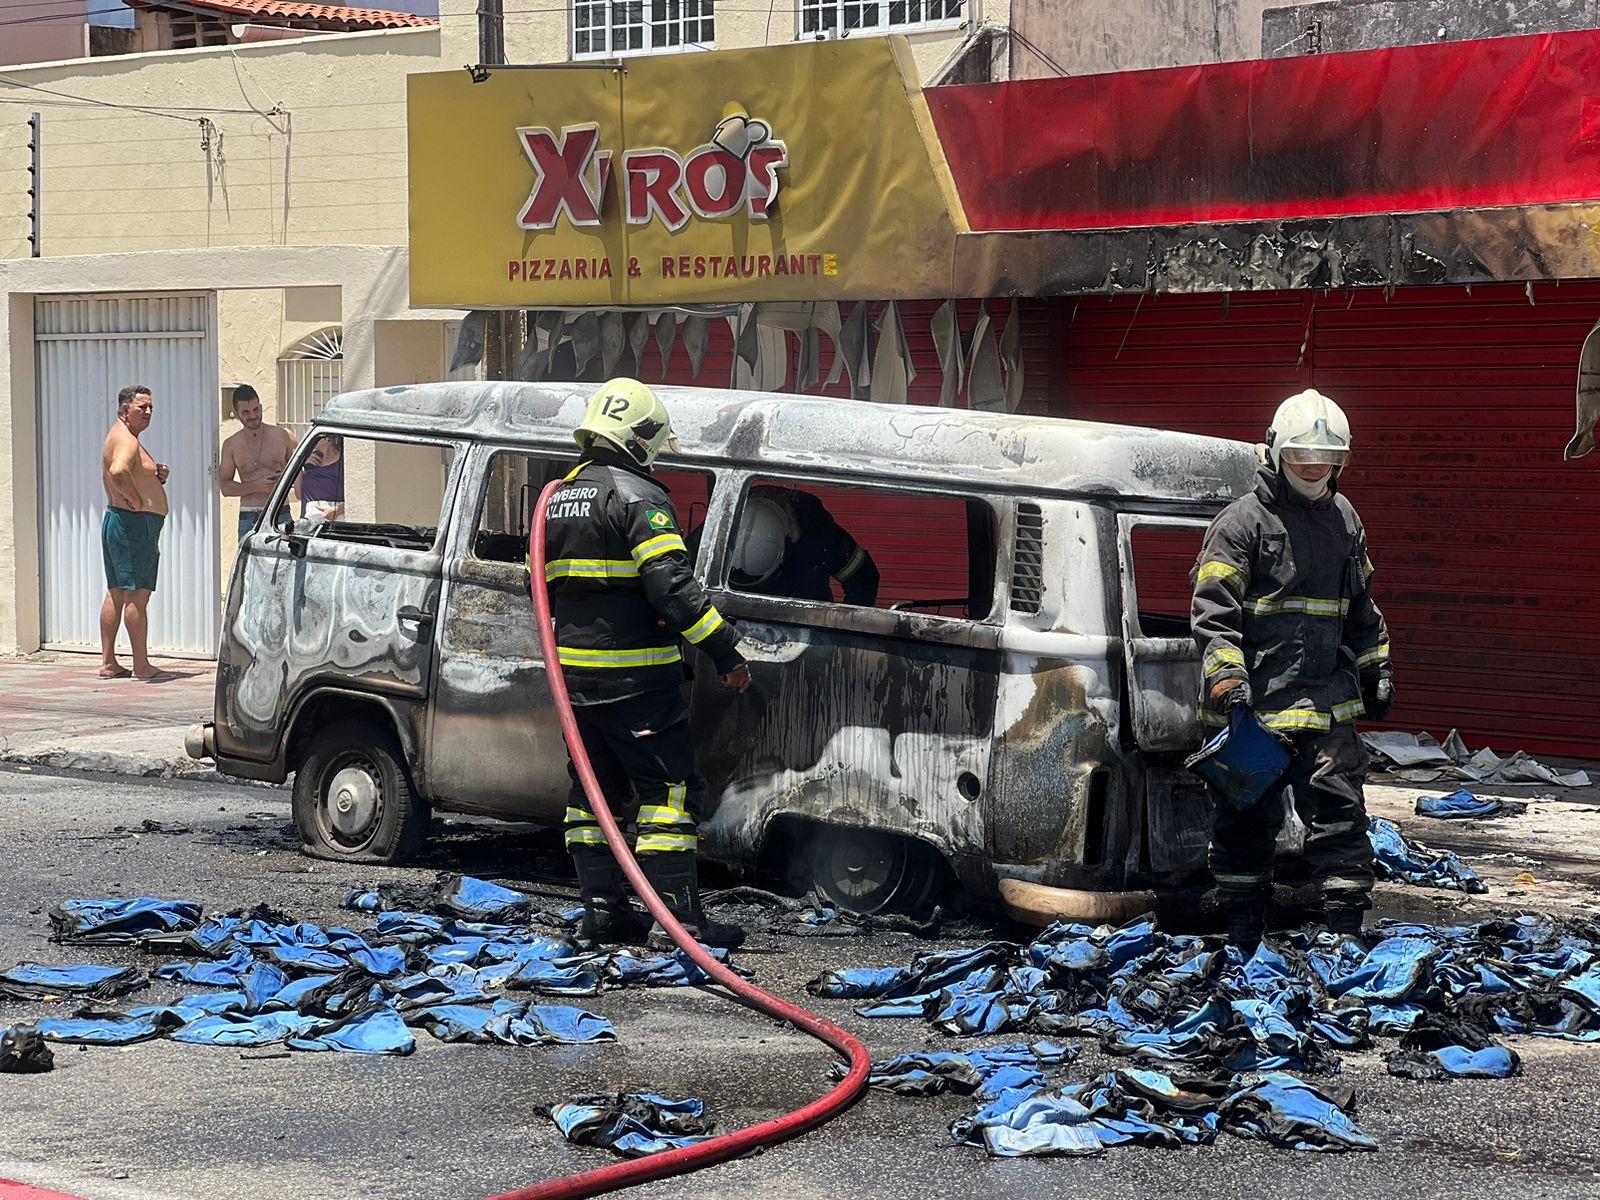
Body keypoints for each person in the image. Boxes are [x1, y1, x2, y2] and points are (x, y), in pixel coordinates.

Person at [542, 378, 752, 950]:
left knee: (593, 794)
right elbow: (673, 588)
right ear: (638, 437)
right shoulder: (640, 497)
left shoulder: (558, 496)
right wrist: (726, 652)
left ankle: (604, 916)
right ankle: (680, 923)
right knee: (670, 792)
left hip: (575, 684)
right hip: (636, 681)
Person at [1190, 389, 1394, 950]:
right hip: (1252, 708)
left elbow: (1362, 605)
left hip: (1324, 703)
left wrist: (1377, 665)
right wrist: (1228, 679)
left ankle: (1346, 938)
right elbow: (1212, 612)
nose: (1314, 467)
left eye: (1326, 459)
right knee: (1244, 822)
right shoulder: (1240, 524)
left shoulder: (1344, 519)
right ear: (1276, 452)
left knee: (1340, 816)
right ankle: (1241, 936)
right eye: (1304, 456)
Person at [99, 385, 170, 681]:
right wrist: (135, 499)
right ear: (125, 410)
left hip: (121, 522)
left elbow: (131, 471)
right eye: (143, 408)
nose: (149, 412)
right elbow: (118, 472)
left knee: (116, 592)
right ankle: (141, 665)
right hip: (133, 524)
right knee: (137, 596)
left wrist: (155, 474)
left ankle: (109, 662)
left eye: (151, 407)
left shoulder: (123, 436)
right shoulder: (126, 440)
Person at [730, 484, 880, 605]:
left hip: (807, 623)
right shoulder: (717, 527)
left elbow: (862, 578)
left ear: (788, 544)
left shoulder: (817, 531)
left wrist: (845, 630)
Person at [218, 385, 296, 540]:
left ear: (260, 407)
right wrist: (256, 486)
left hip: (280, 510)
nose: (253, 415)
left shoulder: (283, 436)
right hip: (249, 514)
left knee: (286, 562)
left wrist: (285, 480)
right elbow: (225, 488)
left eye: (256, 409)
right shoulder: (231, 444)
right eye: (246, 412)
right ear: (236, 413)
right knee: (248, 563)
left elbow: (299, 474)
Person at [296, 434, 345, 522]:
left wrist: (337, 511)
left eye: (315, 438)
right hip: (308, 525)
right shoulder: (311, 462)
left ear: (327, 439)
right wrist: (299, 465)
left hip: (333, 524)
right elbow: (299, 494)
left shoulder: (343, 464)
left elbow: (357, 498)